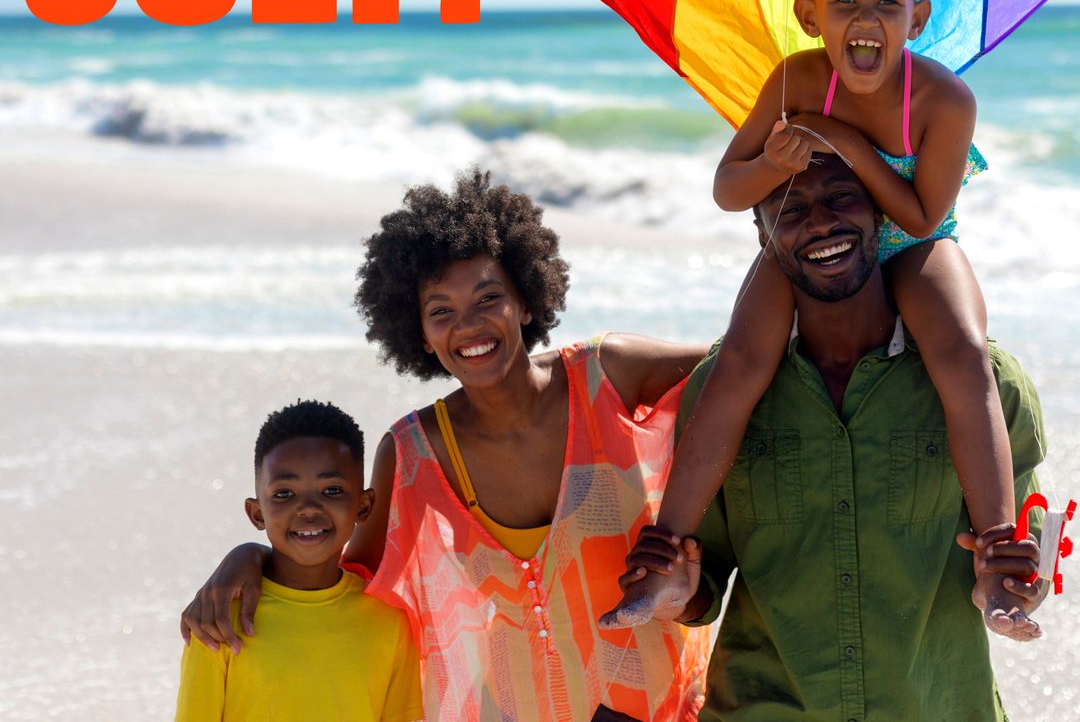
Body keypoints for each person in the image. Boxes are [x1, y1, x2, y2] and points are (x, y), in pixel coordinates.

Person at [605, 0, 1027, 637]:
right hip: (813, 238)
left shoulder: (943, 101)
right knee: (737, 363)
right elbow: (730, 189)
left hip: (913, 241)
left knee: (963, 354)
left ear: (918, 16)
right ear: (810, 15)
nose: (866, 21)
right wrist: (778, 159)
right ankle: (665, 551)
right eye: (845, 3)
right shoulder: (798, 78)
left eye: (888, 5)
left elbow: (924, 212)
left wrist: (852, 148)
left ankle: (998, 554)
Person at [180, 171, 711, 721]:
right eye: (441, 312)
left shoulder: (609, 376)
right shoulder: (414, 454)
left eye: (488, 298)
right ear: (422, 336)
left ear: (525, 302)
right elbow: (346, 578)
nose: (469, 325)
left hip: (665, 706)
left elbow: (742, 368)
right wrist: (249, 556)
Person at [615, 155, 1046, 721]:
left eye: (841, 196)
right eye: (790, 208)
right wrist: (678, 595)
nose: (819, 223)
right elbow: (703, 578)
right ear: (762, 230)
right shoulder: (723, 393)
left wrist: (1014, 589)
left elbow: (1020, 559)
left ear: (879, 212)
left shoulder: (983, 386)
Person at [174, 400, 423, 722]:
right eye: (284, 494)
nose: (307, 508)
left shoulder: (391, 620)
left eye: (331, 490)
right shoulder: (219, 620)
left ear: (364, 506)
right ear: (257, 513)